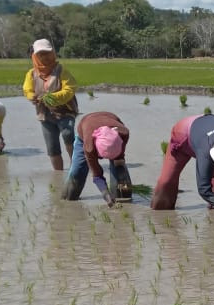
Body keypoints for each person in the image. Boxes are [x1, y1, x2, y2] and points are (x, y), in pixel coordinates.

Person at [23, 38, 79, 171]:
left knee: (67, 134)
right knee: (52, 145)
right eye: (41, 54)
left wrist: (52, 97)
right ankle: (58, 175)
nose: (45, 57)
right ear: (35, 56)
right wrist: (32, 97)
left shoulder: (61, 70)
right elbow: (27, 89)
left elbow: (70, 89)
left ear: (53, 53)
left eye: (47, 53)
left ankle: (76, 167)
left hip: (65, 111)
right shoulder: (31, 74)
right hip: (45, 114)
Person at [62, 111, 133, 207]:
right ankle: (68, 201)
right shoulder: (89, 147)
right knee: (76, 172)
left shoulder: (123, 133)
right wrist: (105, 194)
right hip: (86, 128)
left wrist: (119, 160)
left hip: (110, 121)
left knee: (120, 172)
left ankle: (124, 198)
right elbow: (97, 175)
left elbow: (120, 158)